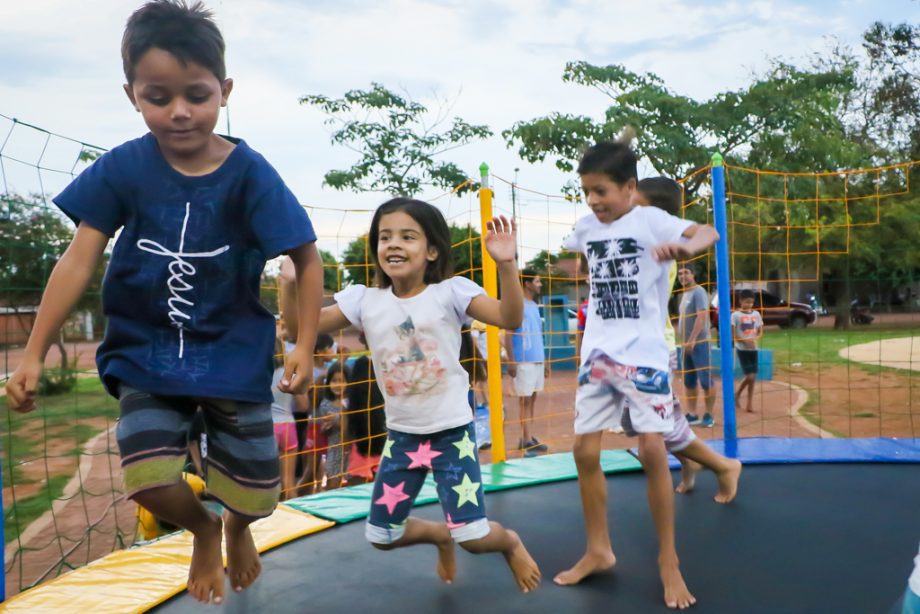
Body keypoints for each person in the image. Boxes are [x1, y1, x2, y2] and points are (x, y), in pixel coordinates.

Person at [4, 1, 323, 604]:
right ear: (132, 95)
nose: (179, 112)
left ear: (224, 91)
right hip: (146, 354)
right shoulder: (126, 168)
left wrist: (302, 344)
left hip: (232, 356)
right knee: (148, 479)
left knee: (258, 492)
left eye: (196, 95)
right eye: (158, 96)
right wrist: (33, 352)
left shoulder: (250, 173)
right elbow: (78, 258)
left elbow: (305, 258)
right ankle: (203, 528)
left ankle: (234, 524)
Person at [317, 197, 541, 592]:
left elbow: (509, 317)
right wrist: (290, 284)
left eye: (407, 236)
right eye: (385, 237)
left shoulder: (451, 293)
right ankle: (439, 534)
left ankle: (509, 541)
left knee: (473, 539)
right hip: (402, 438)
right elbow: (301, 324)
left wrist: (506, 264)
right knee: (381, 535)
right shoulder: (365, 300)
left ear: (432, 250)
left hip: (451, 434)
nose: (394, 245)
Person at [555, 141, 718, 609]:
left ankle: (669, 561)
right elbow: (576, 258)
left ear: (629, 188)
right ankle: (598, 549)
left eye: (601, 190)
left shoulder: (649, 219)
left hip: (644, 356)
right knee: (584, 451)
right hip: (598, 355)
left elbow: (707, 231)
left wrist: (685, 246)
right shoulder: (587, 226)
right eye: (586, 191)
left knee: (651, 455)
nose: (592, 200)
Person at [633, 177, 743, 500]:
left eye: (636, 203)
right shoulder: (640, 237)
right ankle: (689, 462)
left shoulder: (658, 241)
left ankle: (723, 466)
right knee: (660, 420)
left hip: (651, 350)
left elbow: (707, 231)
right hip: (634, 350)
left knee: (654, 430)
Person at [503, 268, 549, 456]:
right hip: (523, 361)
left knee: (533, 398)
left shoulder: (534, 305)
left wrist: (545, 362)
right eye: (537, 281)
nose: (540, 284)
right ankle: (526, 439)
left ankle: (527, 437)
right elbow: (508, 334)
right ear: (527, 283)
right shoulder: (518, 305)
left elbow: (539, 335)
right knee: (525, 400)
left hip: (537, 360)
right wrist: (511, 361)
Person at [678, 265, 715, 427]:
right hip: (686, 344)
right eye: (680, 273)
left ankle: (709, 415)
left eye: (686, 272)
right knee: (689, 381)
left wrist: (692, 340)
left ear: (693, 274)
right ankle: (692, 414)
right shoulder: (684, 294)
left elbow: (701, 317)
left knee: (706, 381)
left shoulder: (699, 292)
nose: (682, 276)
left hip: (699, 343)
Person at [271, 338, 298, 500]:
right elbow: (303, 405)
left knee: (271, 483)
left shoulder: (260, 374)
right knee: (289, 481)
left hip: (269, 427)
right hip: (288, 426)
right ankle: (296, 521)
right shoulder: (288, 374)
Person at [316, 362, 348, 490]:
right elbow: (324, 430)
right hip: (335, 449)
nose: (338, 384)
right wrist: (325, 428)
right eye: (334, 381)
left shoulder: (352, 402)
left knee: (350, 483)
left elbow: (350, 426)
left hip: (351, 450)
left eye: (342, 380)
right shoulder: (326, 404)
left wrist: (336, 420)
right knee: (332, 483)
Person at [731, 289, 763, 414]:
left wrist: (755, 339)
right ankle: (737, 394)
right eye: (747, 302)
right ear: (740, 301)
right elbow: (733, 335)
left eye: (751, 302)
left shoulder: (756, 314)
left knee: (753, 377)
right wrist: (744, 341)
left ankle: (749, 402)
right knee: (749, 375)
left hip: (753, 348)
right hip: (742, 349)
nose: (749, 305)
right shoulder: (735, 315)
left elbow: (760, 330)